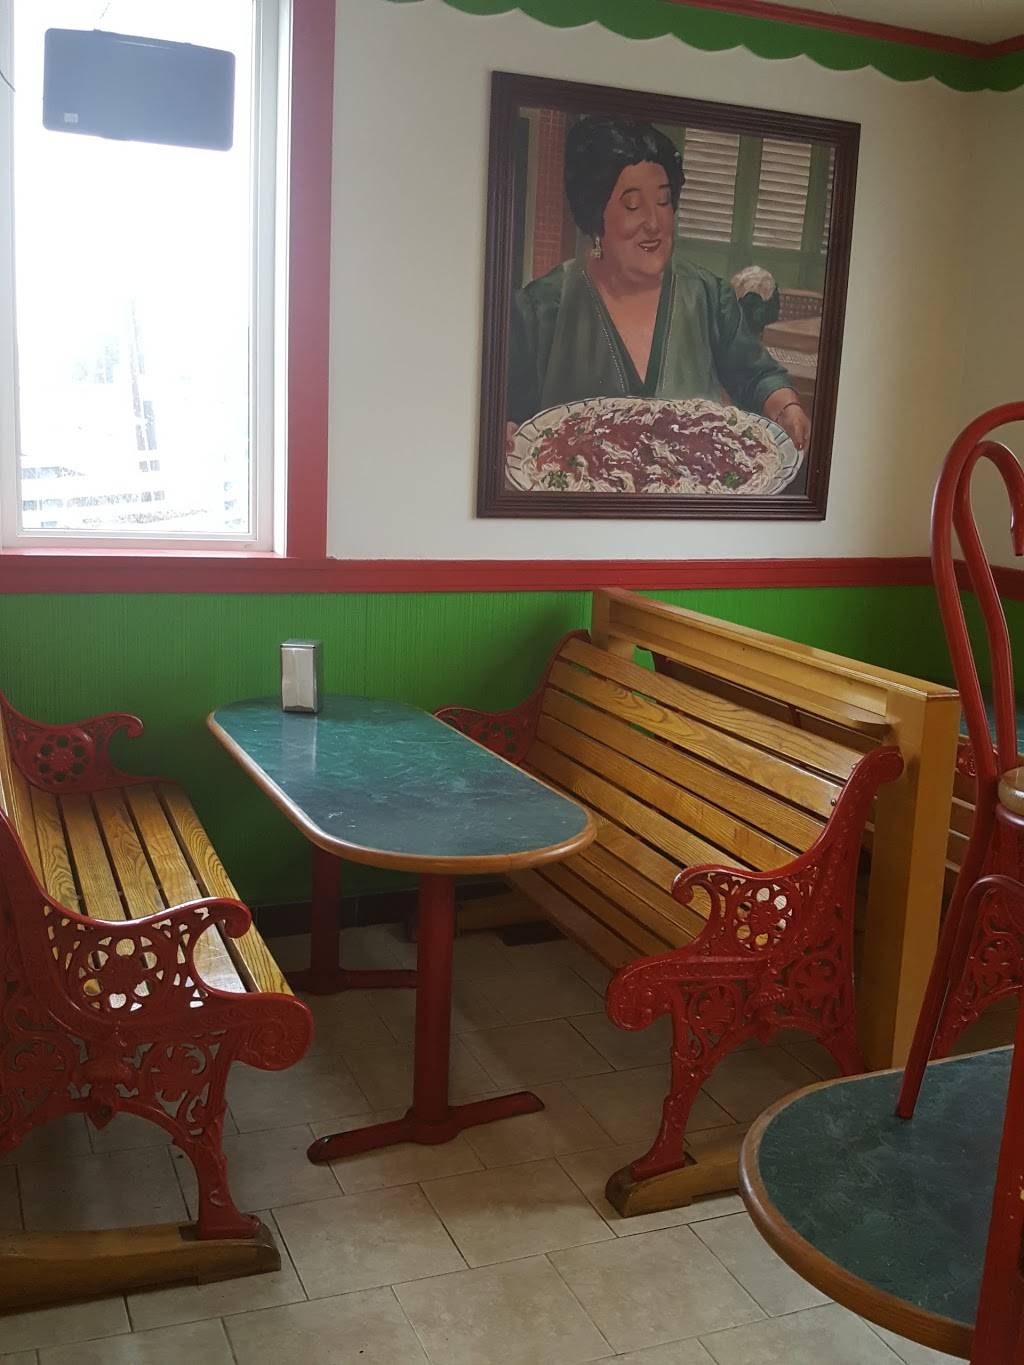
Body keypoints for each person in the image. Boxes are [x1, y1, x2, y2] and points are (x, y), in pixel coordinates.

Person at [506, 116, 812, 455]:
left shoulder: (709, 296)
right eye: (632, 205)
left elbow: (758, 377)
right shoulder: (539, 309)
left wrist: (786, 407)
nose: (653, 222)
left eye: (664, 201)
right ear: (595, 215)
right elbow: (507, 415)